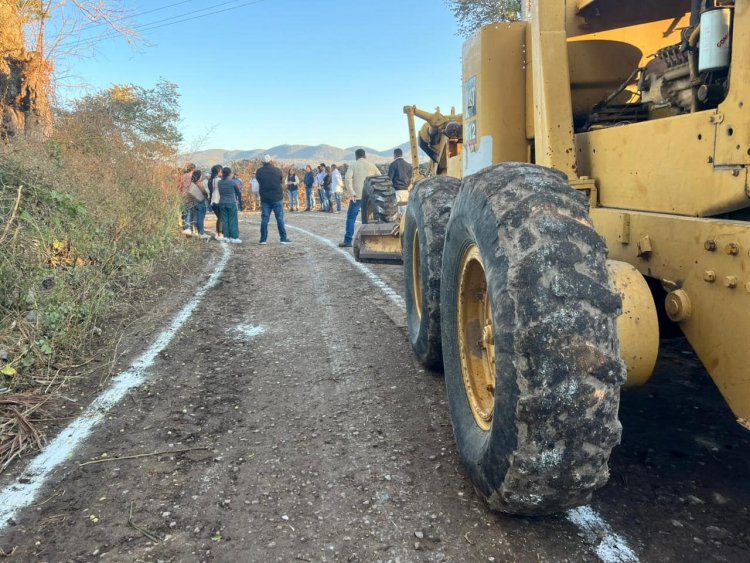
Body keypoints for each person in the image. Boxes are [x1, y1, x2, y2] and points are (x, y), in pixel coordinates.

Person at [340, 148, 380, 247]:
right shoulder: (371, 165)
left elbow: (347, 178)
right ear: (365, 155)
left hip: (356, 197)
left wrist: (352, 192)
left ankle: (348, 241)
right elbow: (379, 177)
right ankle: (368, 242)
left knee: (351, 218)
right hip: (370, 197)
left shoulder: (353, 165)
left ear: (356, 156)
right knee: (368, 219)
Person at [255, 154, 292, 244]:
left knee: (265, 219)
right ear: (271, 160)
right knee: (279, 218)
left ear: (262, 162)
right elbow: (280, 181)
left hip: (265, 198)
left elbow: (259, 181)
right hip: (277, 197)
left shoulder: (259, 171)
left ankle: (263, 239)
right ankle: (283, 238)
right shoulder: (277, 170)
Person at [216, 166, 242, 244]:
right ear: (229, 174)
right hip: (231, 202)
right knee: (233, 220)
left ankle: (226, 237)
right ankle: (234, 237)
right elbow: (238, 192)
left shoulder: (219, 182)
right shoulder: (232, 182)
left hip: (222, 202)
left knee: (225, 220)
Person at [188, 169, 210, 238]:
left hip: (194, 201)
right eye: (201, 175)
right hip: (200, 201)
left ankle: (195, 231)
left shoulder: (191, 183)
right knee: (200, 217)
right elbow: (205, 193)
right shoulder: (200, 183)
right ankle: (201, 233)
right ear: (199, 176)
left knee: (195, 217)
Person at [207, 164, 224, 238]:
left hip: (213, 201)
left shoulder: (211, 180)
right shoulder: (218, 180)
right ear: (219, 171)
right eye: (221, 170)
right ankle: (220, 233)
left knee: (220, 217)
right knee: (221, 217)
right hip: (217, 200)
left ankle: (219, 232)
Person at [179, 163, 196, 235]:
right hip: (190, 195)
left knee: (185, 211)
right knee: (190, 211)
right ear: (193, 169)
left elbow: (180, 185)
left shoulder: (183, 176)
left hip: (183, 194)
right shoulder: (193, 176)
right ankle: (188, 228)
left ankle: (185, 227)